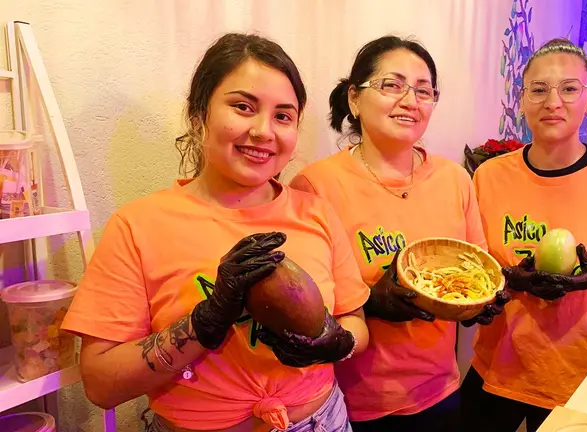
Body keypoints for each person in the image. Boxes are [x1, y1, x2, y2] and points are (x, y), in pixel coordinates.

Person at [61, 33, 370, 432]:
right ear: (198, 115)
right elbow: (101, 384)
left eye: (283, 115)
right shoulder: (138, 226)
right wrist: (203, 322)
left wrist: (336, 341)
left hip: (322, 421)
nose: (263, 131)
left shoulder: (317, 213)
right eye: (243, 107)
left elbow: (355, 322)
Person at [289, 35, 509, 432]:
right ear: (355, 99)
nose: (411, 100)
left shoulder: (455, 180)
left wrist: (487, 298)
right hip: (353, 401)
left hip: (440, 392)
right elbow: (304, 307)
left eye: (424, 91)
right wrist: (371, 303)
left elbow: (478, 267)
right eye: (393, 85)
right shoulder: (315, 186)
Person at [460, 38, 587, 432]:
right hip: (495, 368)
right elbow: (474, 271)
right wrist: (509, 278)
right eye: (539, 89)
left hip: (579, 377)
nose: (553, 102)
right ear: (521, 100)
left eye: (569, 89)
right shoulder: (488, 177)